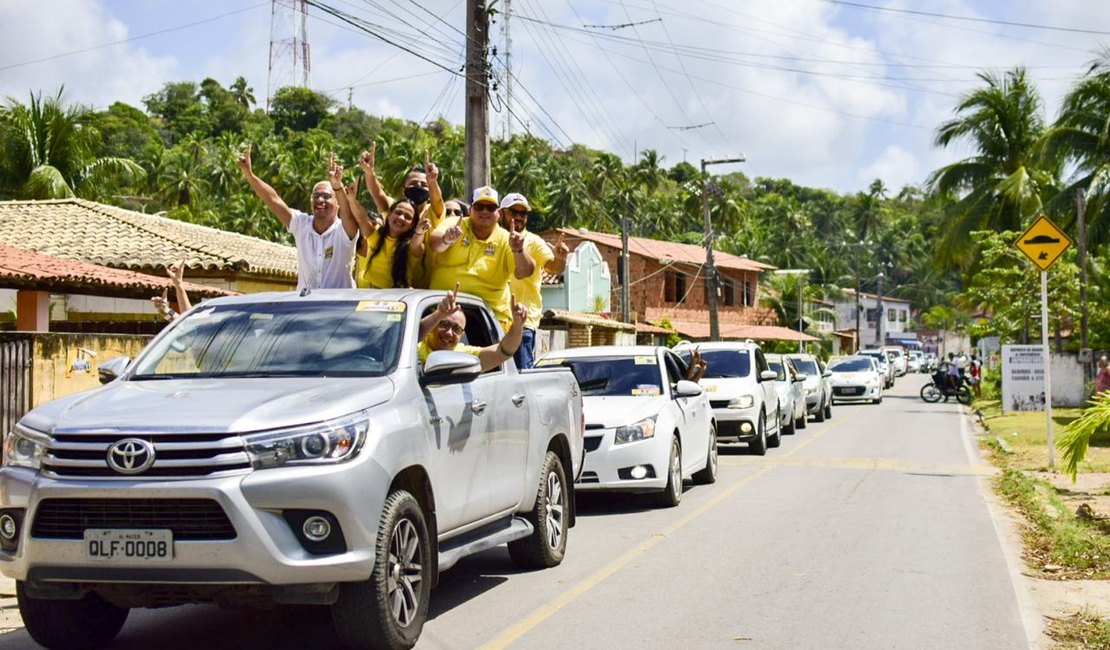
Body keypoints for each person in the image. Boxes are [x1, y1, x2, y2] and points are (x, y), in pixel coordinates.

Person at [238, 145, 358, 292]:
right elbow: (273, 199)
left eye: (327, 196)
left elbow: (348, 213)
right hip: (306, 307)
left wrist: (338, 187)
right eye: (316, 196)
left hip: (338, 308)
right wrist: (250, 175)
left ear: (338, 203)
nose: (320, 200)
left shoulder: (344, 230)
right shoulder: (301, 224)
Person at [427, 185, 534, 330]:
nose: (484, 211)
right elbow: (435, 244)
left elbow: (525, 272)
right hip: (442, 308)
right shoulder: (456, 223)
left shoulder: (507, 239)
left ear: (498, 213)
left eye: (490, 207)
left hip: (486, 316)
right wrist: (447, 239)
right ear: (470, 210)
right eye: (479, 206)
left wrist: (519, 250)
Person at [327, 158, 429, 288]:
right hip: (372, 296)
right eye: (398, 213)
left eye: (408, 217)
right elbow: (362, 218)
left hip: (397, 300)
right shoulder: (376, 236)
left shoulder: (410, 246)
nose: (401, 218)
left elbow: (416, 243)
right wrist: (351, 199)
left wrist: (419, 231)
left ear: (412, 225)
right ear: (389, 215)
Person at [500, 192, 569, 369]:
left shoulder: (534, 241)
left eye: (523, 214)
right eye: (513, 212)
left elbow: (553, 268)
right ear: (501, 213)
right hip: (493, 319)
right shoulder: (494, 237)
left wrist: (560, 258)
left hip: (523, 322)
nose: (518, 217)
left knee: (521, 377)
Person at [417, 283, 528, 372]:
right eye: (444, 324)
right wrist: (439, 314)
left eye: (456, 329)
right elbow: (412, 335)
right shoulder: (414, 346)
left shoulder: (464, 356)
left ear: (461, 335)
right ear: (433, 326)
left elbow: (503, 352)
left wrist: (517, 325)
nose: (449, 332)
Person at [360, 145, 446, 228]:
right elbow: (377, 193)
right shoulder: (394, 208)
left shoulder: (432, 212)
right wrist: (369, 172)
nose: (418, 186)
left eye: (424, 185)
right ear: (403, 190)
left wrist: (432, 181)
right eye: (413, 183)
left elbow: (437, 200)